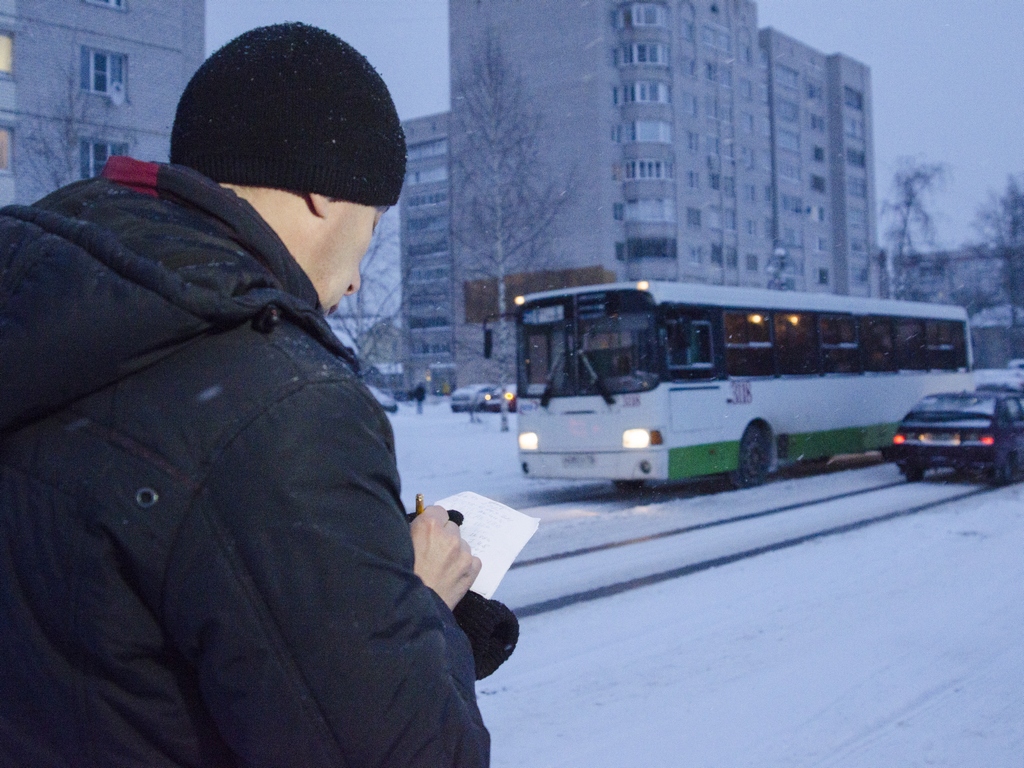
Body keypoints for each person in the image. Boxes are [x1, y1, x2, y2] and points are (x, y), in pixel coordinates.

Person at [0, 23, 491, 767]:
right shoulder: (281, 402)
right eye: (373, 224)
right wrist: (421, 604)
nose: (358, 276)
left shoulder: (49, 310)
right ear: (324, 192)